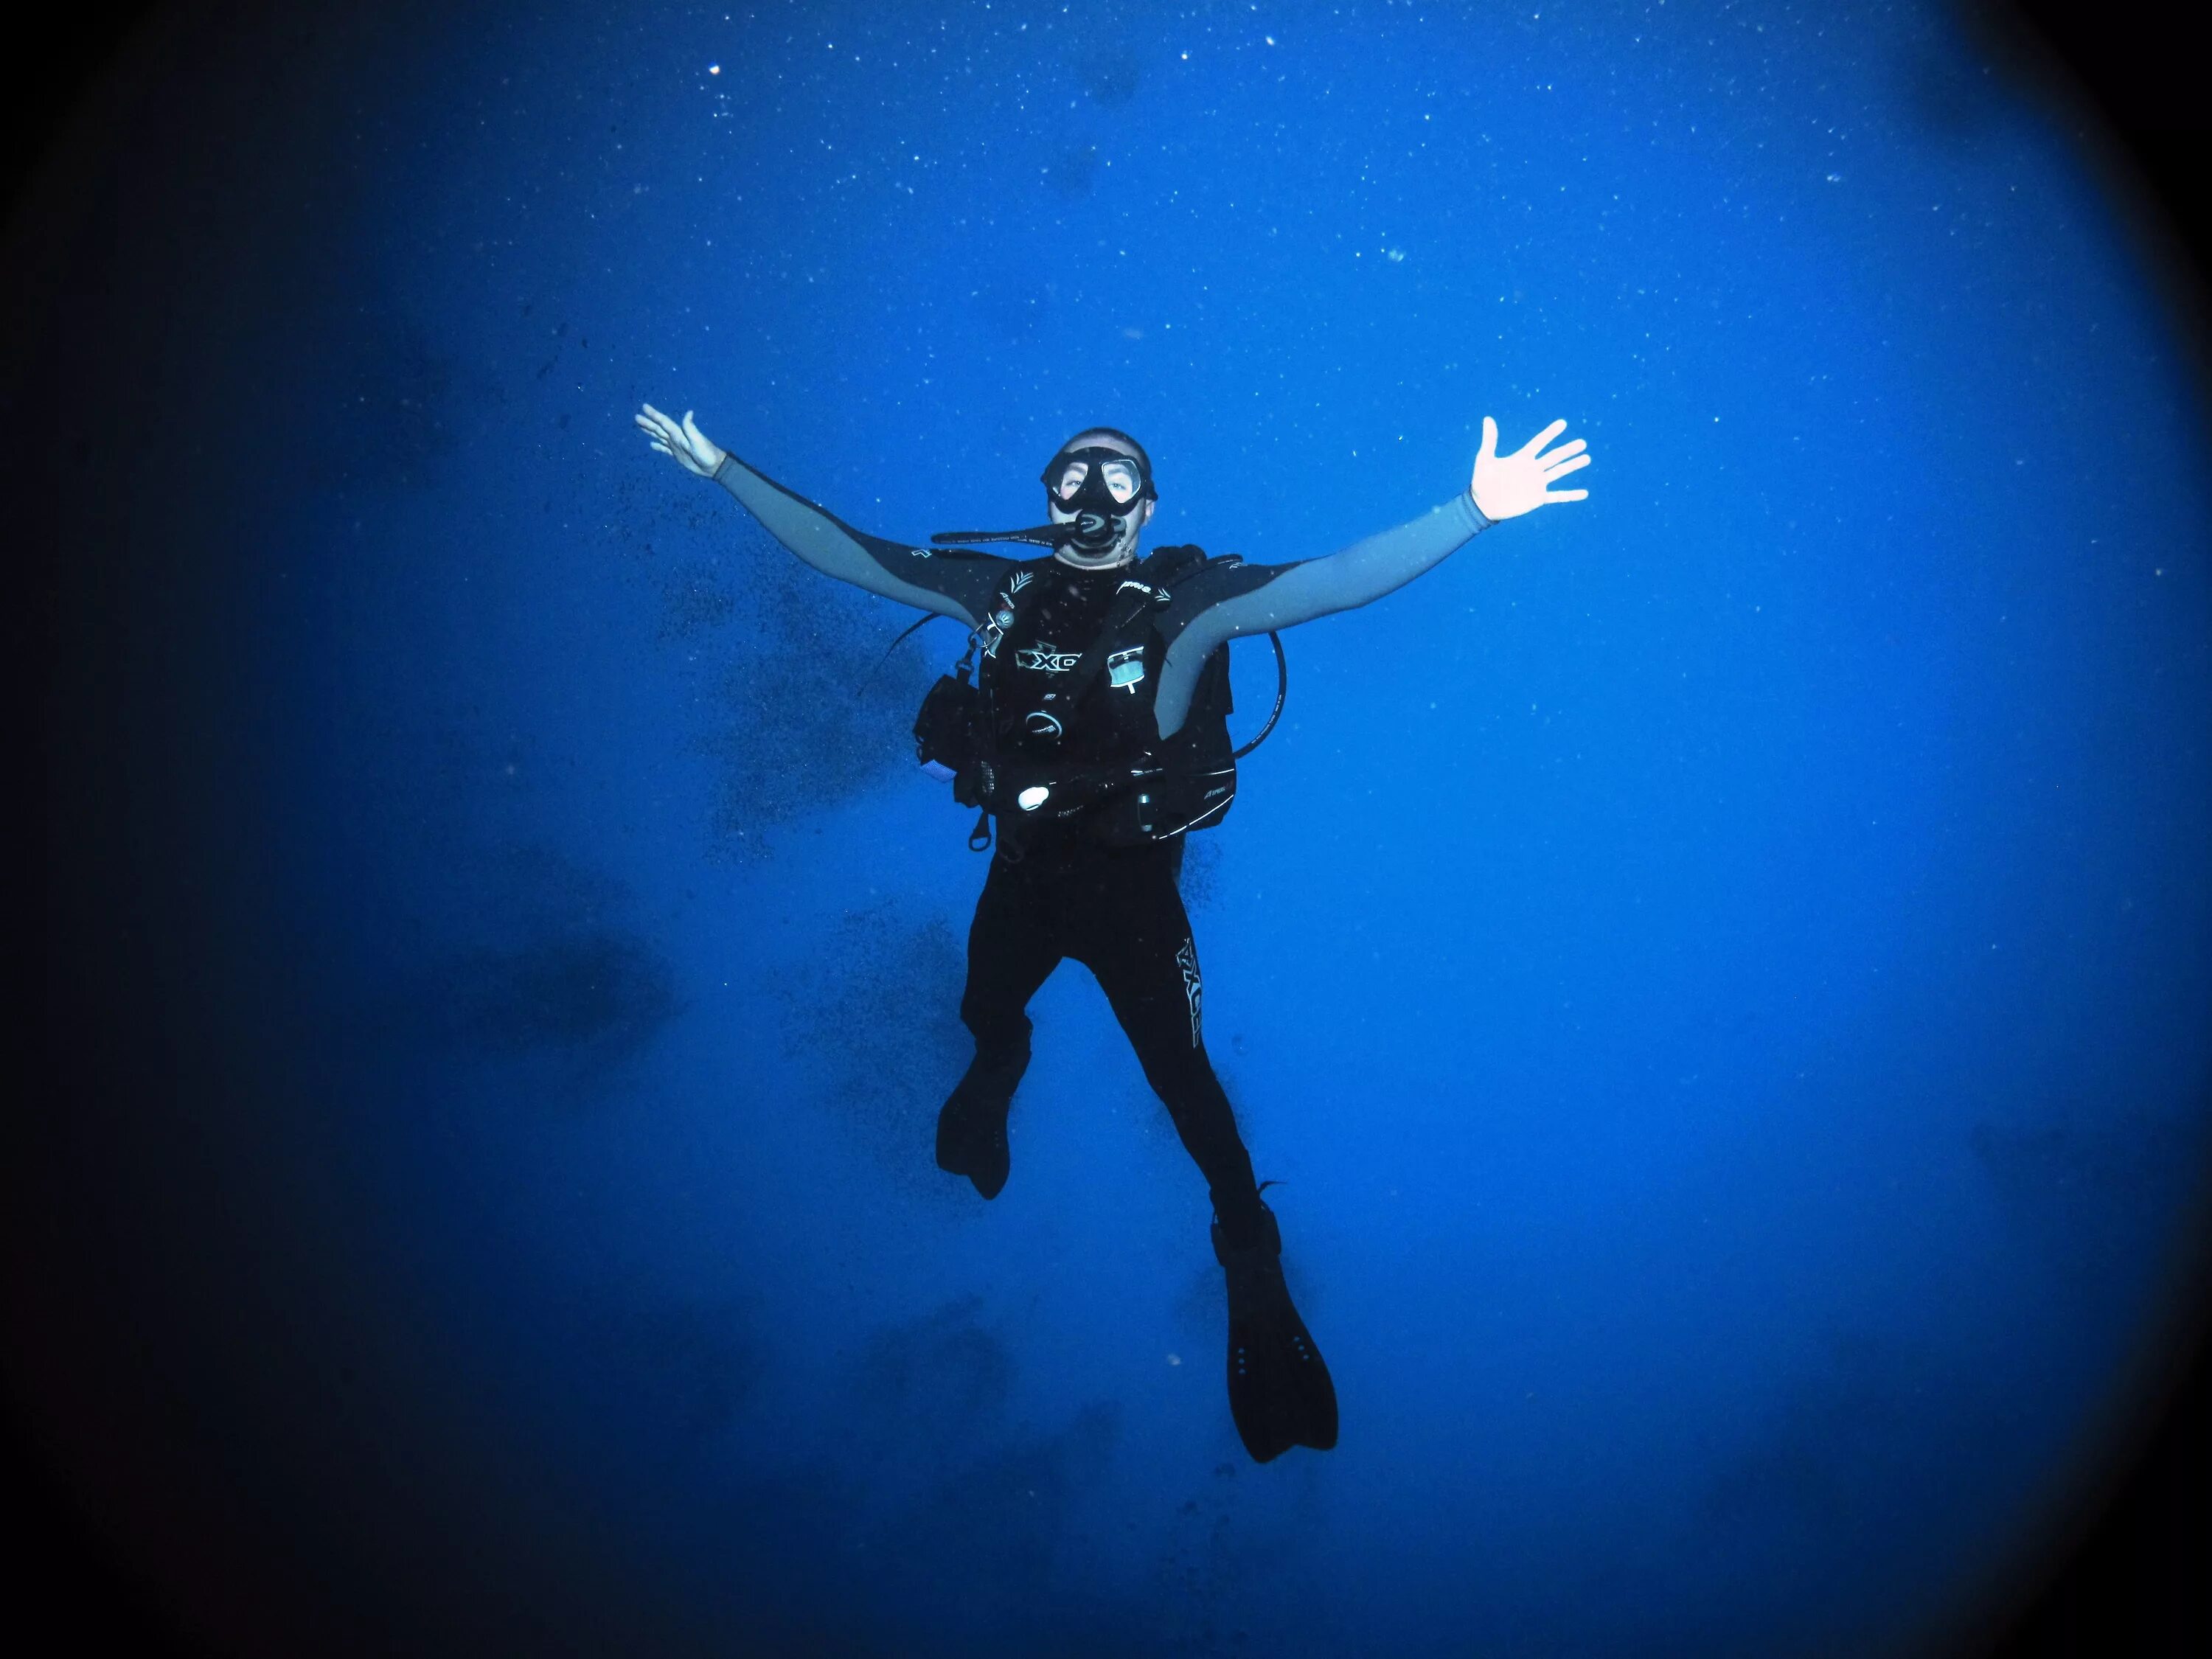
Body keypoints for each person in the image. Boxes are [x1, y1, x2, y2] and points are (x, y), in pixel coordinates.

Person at [635, 402, 1591, 1461]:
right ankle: (1000, 1067)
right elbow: (852, 555)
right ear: (1044, 498)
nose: (1090, 497)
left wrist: (1472, 510)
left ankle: (1251, 1254)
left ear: (1150, 505)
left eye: (1116, 479)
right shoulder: (1000, 594)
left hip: (1135, 904)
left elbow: (1329, 581)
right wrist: (725, 468)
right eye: (1070, 477)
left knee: (1185, 1084)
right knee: (984, 1008)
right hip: (1022, 881)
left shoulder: (1182, 608)